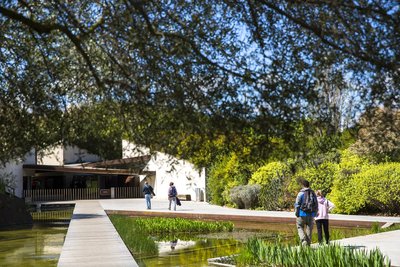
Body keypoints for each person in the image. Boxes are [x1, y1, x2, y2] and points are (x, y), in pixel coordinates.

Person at [294, 179, 318, 246]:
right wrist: (315, 213)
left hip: (302, 213)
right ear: (308, 185)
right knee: (309, 229)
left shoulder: (300, 193)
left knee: (299, 226)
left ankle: (303, 239)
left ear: (303, 185)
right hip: (311, 214)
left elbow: (297, 204)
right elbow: (316, 204)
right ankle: (308, 243)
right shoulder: (313, 193)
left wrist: (297, 213)